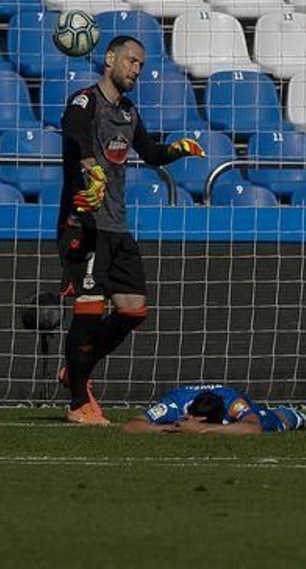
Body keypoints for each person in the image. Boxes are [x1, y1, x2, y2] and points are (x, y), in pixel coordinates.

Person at [58, 36, 204, 426]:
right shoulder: (85, 101)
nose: (136, 70)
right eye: (131, 61)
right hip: (83, 224)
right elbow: (74, 133)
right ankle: (78, 403)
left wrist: (177, 149)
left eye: (141, 64)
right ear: (110, 59)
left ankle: (77, 368)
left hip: (116, 226)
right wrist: (91, 168)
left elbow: (150, 153)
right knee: (88, 312)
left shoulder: (128, 111)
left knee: (133, 309)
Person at [121, 384, 306, 434]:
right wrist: (168, 428)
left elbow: (253, 428)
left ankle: (304, 417)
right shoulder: (175, 402)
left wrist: (203, 430)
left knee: (276, 421)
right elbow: (130, 426)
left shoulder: (233, 403)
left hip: (258, 414)